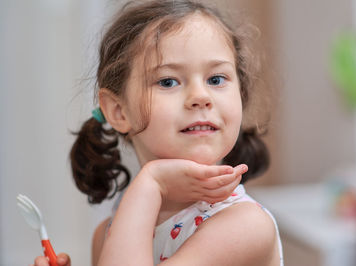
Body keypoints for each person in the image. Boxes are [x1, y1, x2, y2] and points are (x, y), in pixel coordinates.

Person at [33, 0, 283, 265]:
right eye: (168, 81)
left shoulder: (245, 226)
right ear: (119, 111)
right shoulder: (107, 235)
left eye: (216, 79)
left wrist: (152, 181)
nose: (200, 96)